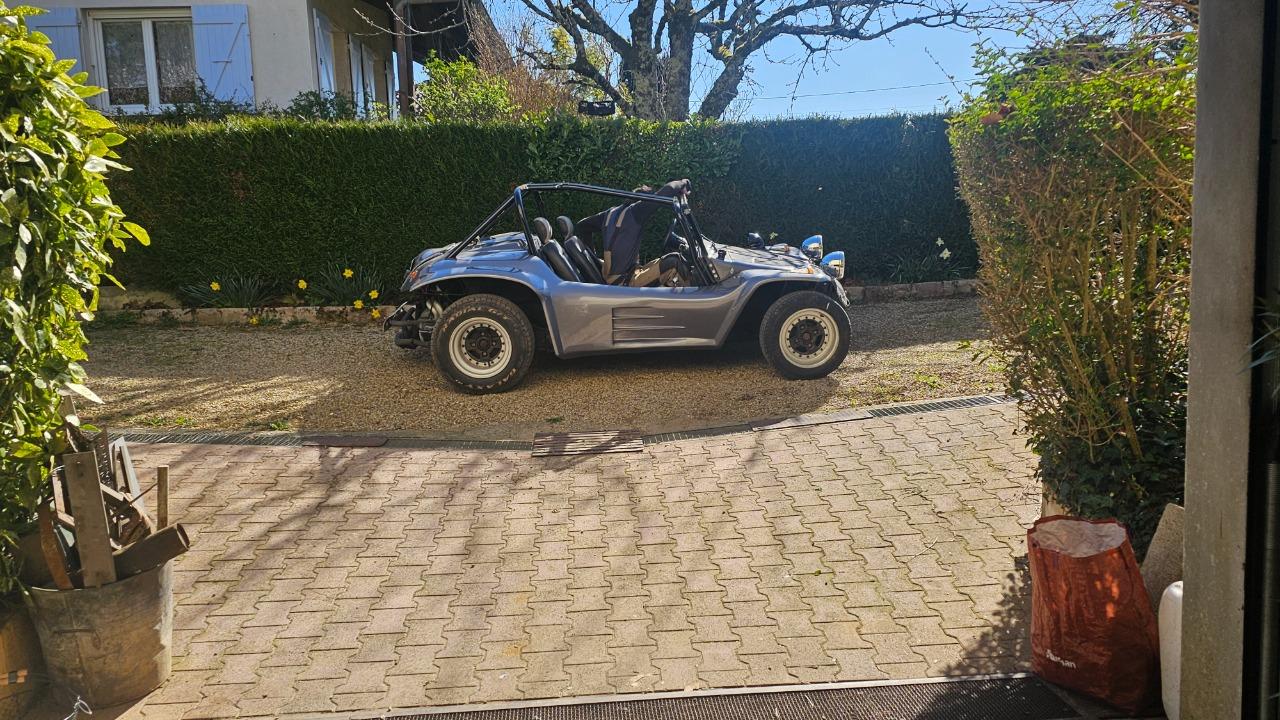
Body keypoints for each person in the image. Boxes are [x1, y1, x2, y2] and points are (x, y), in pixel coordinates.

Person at [576, 179, 693, 287]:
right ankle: (697, 298)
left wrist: (594, 260)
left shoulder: (610, 214)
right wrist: (684, 182)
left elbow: (582, 226)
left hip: (621, 276)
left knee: (670, 260)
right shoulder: (635, 212)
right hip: (624, 282)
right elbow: (669, 188)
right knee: (674, 263)